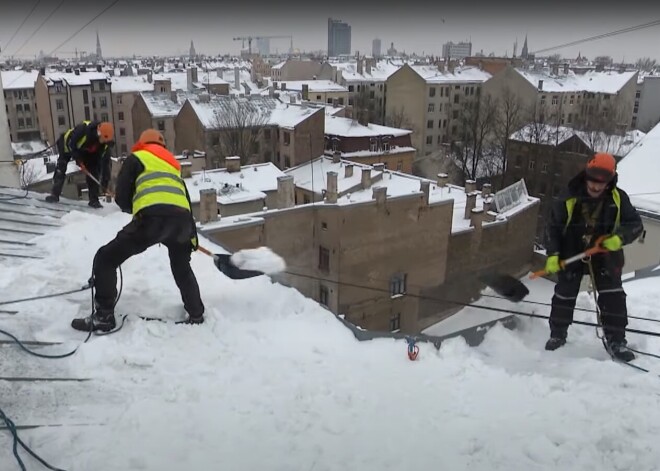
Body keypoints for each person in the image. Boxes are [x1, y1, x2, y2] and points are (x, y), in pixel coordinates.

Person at [71, 129, 205, 332]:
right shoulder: (172, 166)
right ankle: (196, 314)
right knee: (182, 269)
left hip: (152, 219)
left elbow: (122, 197)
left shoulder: (137, 157)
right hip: (182, 223)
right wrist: (191, 238)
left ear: (142, 143)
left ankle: (104, 316)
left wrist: (135, 209)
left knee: (106, 258)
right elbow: (185, 201)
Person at [543, 152, 644, 361]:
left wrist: (618, 238)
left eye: (602, 183)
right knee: (564, 293)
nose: (596, 186)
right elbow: (553, 227)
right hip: (572, 249)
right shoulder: (568, 197)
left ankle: (616, 340)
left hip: (605, 252)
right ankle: (557, 334)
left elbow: (635, 225)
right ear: (586, 175)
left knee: (613, 295)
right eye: (593, 181)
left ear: (610, 181)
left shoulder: (618, 199)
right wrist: (553, 254)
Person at [45, 120, 114, 209]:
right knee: (61, 167)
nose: (103, 142)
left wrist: (105, 182)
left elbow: (104, 164)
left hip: (86, 152)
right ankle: (54, 194)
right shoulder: (83, 130)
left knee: (93, 172)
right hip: (67, 146)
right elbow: (72, 145)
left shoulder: (104, 145)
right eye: (102, 140)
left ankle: (94, 200)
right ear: (98, 133)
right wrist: (79, 162)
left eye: (105, 141)